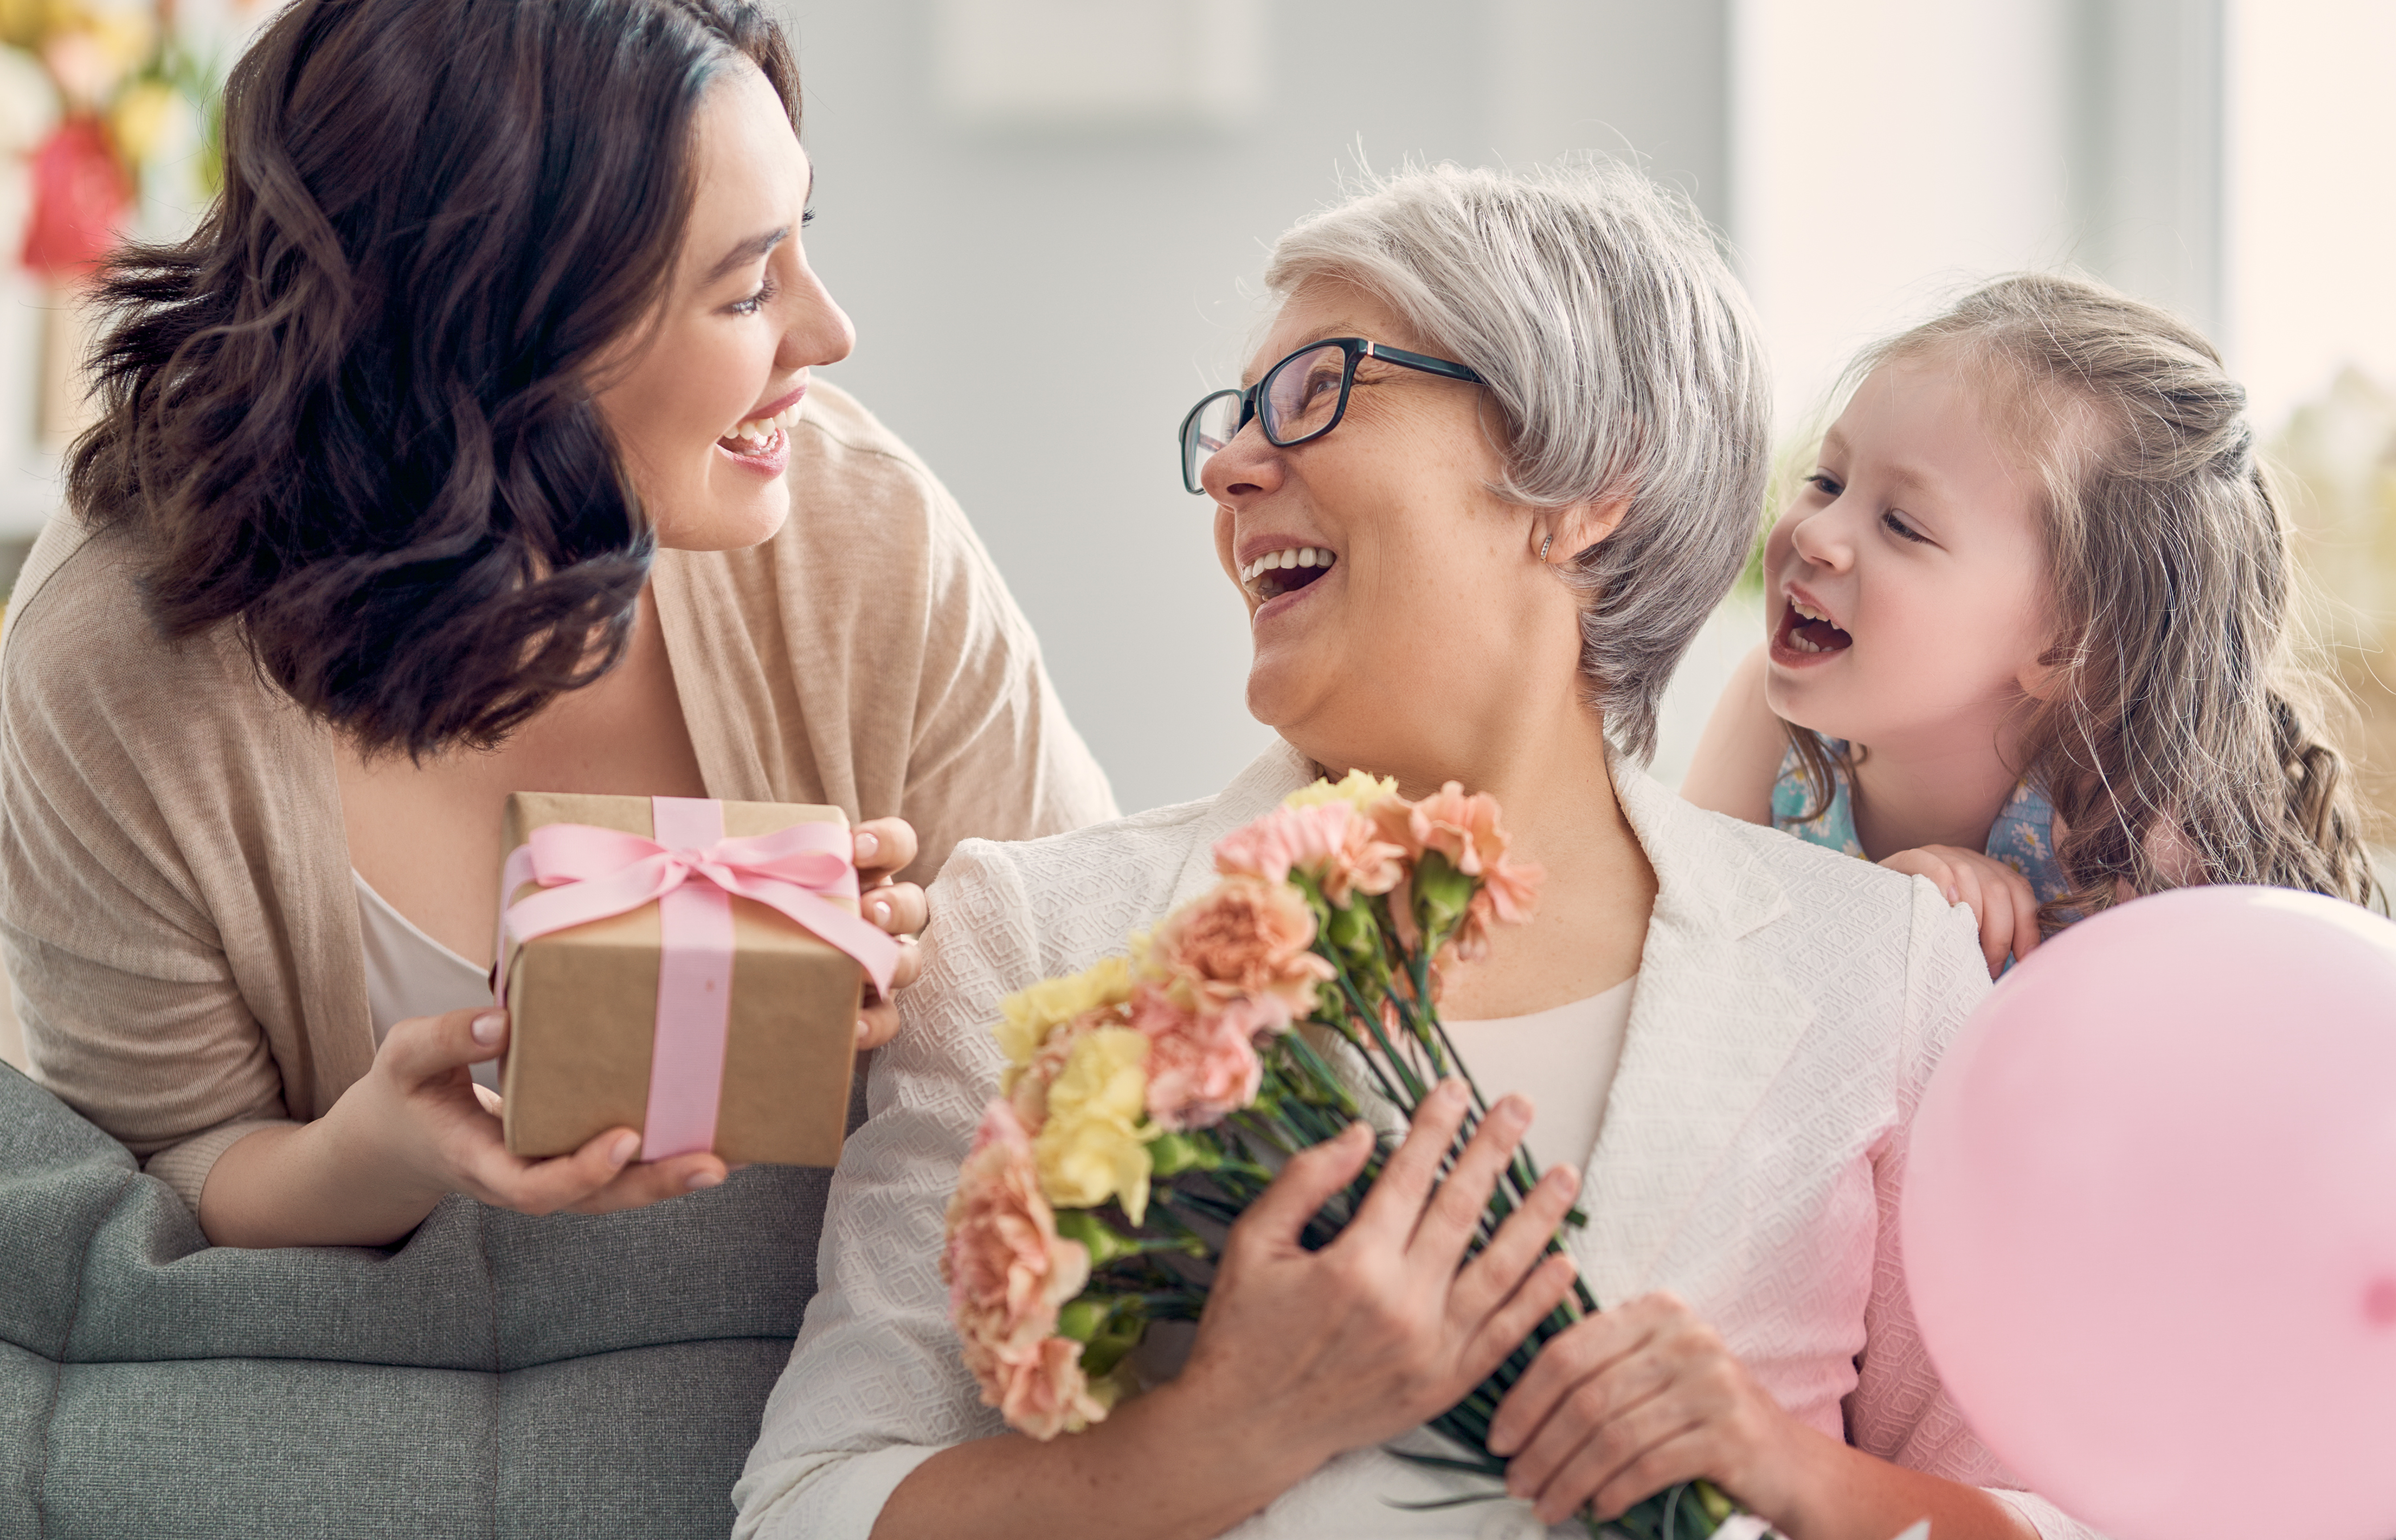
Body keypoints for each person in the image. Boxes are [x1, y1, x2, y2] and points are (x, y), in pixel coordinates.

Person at [735, 163, 2092, 1540]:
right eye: (1233, 421)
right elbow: (807, 1506)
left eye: (1318, 391)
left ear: (1587, 481)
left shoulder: (1883, 970)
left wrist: (1792, 1473)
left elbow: (2055, 1508)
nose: (1228, 468)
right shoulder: (1031, 937)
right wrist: (1212, 1444)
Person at [0, 0, 1113, 1250]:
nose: (832, 335)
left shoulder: (864, 540)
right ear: (501, 340)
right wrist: (383, 1154)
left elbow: (1104, 1017)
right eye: (745, 292)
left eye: (803, 242)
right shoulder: (119, 658)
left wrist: (944, 978)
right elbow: (157, 1180)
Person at [1681, 274, 2375, 976]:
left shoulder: (2126, 838)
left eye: (1902, 525)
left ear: (2066, 647)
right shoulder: (1772, 725)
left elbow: (2162, 1075)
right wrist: (1874, 921)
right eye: (1827, 481)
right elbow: (1682, 966)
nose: (1818, 532)